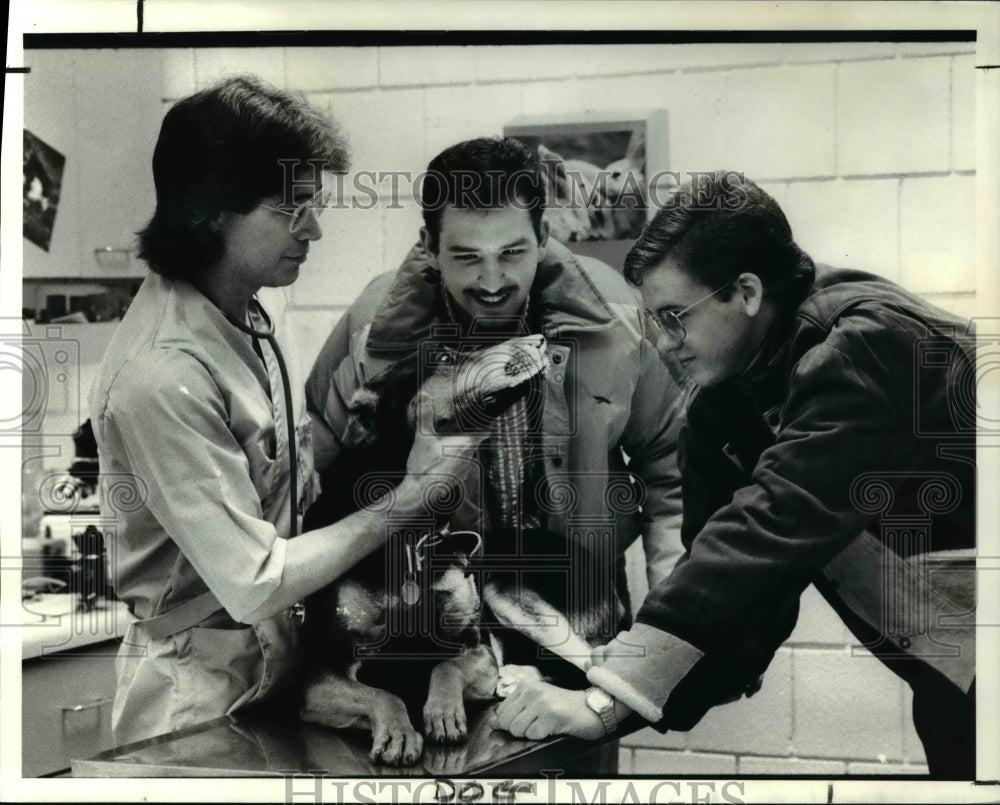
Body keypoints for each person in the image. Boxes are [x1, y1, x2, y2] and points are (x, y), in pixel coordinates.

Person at [494, 171, 977, 779]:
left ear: (745, 292)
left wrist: (602, 700)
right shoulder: (721, 407)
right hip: (956, 687)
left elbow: (772, 524)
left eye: (675, 317)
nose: (664, 344)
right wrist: (624, 673)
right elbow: (733, 585)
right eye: (652, 323)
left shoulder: (868, 340)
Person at [90, 76, 484, 745]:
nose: (316, 229)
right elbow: (255, 580)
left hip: (282, 673)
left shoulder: (254, 309)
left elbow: (297, 479)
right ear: (212, 209)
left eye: (315, 204)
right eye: (291, 208)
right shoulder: (159, 375)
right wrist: (411, 497)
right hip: (194, 696)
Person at [304, 137, 690, 753]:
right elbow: (318, 479)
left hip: (573, 643)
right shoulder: (373, 324)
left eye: (513, 252)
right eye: (465, 256)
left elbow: (674, 491)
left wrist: (680, 641)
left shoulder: (617, 318)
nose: (491, 281)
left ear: (544, 233)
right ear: (429, 247)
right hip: (421, 663)